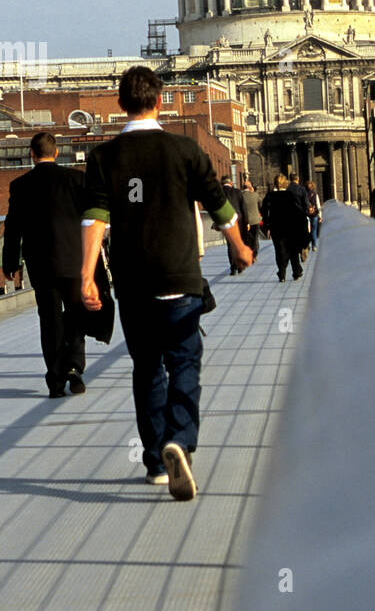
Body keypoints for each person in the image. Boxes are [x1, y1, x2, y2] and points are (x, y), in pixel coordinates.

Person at [80, 66, 253, 500]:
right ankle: (181, 438)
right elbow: (220, 206)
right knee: (185, 362)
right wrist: (239, 247)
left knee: (146, 368)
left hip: (133, 282)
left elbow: (94, 219)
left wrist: (87, 276)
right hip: (180, 277)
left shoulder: (104, 158)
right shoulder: (185, 151)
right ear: (160, 101)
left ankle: (157, 461)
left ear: (120, 104)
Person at [1, 132, 87, 397]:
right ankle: (74, 366)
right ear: (57, 152)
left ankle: (55, 378)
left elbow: (13, 228)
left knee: (49, 320)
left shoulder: (20, 185)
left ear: (31, 153)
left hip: (41, 264)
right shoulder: (76, 179)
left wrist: (10, 263)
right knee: (75, 313)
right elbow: (89, 221)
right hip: (73, 259)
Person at [261, 174, 307, 282]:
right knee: (293, 249)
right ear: (285, 183)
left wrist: (267, 224)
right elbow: (297, 211)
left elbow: (264, 211)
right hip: (290, 226)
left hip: (276, 227)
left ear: (275, 183)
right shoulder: (290, 195)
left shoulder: (270, 196)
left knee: (280, 249)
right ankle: (296, 271)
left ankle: (282, 273)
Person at [221, 174, 248, 274]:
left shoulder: (219, 193)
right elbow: (243, 208)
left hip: (226, 221)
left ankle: (233, 267)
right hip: (239, 220)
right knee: (238, 242)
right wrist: (247, 222)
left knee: (230, 245)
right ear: (231, 183)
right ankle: (240, 266)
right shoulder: (237, 192)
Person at [289, 172, 310, 265]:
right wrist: (306, 212)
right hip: (301, 216)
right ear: (297, 179)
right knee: (304, 234)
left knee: (293, 237)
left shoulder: (287, 189)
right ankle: (304, 249)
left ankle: (296, 251)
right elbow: (306, 203)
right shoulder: (302, 189)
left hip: (291, 217)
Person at [240, 177, 261, 260]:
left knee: (247, 239)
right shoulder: (255, 195)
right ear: (250, 187)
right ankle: (254, 255)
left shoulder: (241, 196)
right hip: (255, 220)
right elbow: (260, 204)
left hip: (245, 221)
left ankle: (248, 254)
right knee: (255, 238)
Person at [305, 180, 322, 251]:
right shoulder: (315, 194)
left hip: (307, 215)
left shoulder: (304, 194)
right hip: (314, 215)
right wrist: (320, 216)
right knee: (314, 230)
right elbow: (318, 205)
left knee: (308, 231)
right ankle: (314, 245)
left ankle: (307, 244)